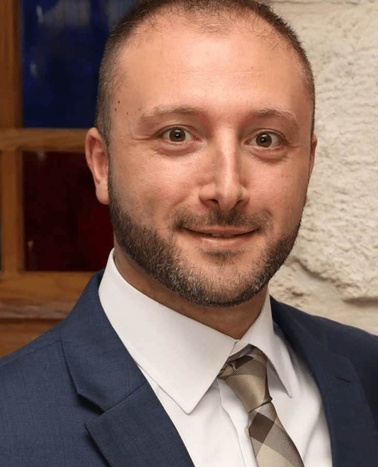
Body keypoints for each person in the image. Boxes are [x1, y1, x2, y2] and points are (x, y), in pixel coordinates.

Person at [0, 1, 377, 466]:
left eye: (266, 139)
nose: (226, 188)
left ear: (310, 163)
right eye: (177, 134)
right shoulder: (11, 426)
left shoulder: (367, 375)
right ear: (102, 165)